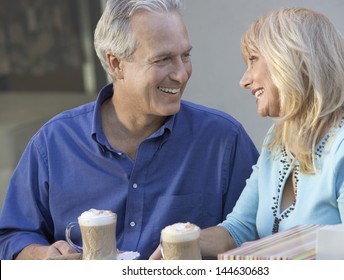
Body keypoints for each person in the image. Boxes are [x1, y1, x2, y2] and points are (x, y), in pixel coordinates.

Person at [0, 0, 259, 260]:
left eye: (185, 56)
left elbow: (259, 234)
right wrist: (42, 256)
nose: (181, 74)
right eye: (163, 59)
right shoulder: (53, 143)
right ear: (115, 64)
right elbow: (12, 237)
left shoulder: (224, 141)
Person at [152, 7, 344, 259]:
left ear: (291, 58)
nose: (244, 81)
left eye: (253, 59)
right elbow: (237, 229)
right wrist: (180, 242)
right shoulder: (277, 141)